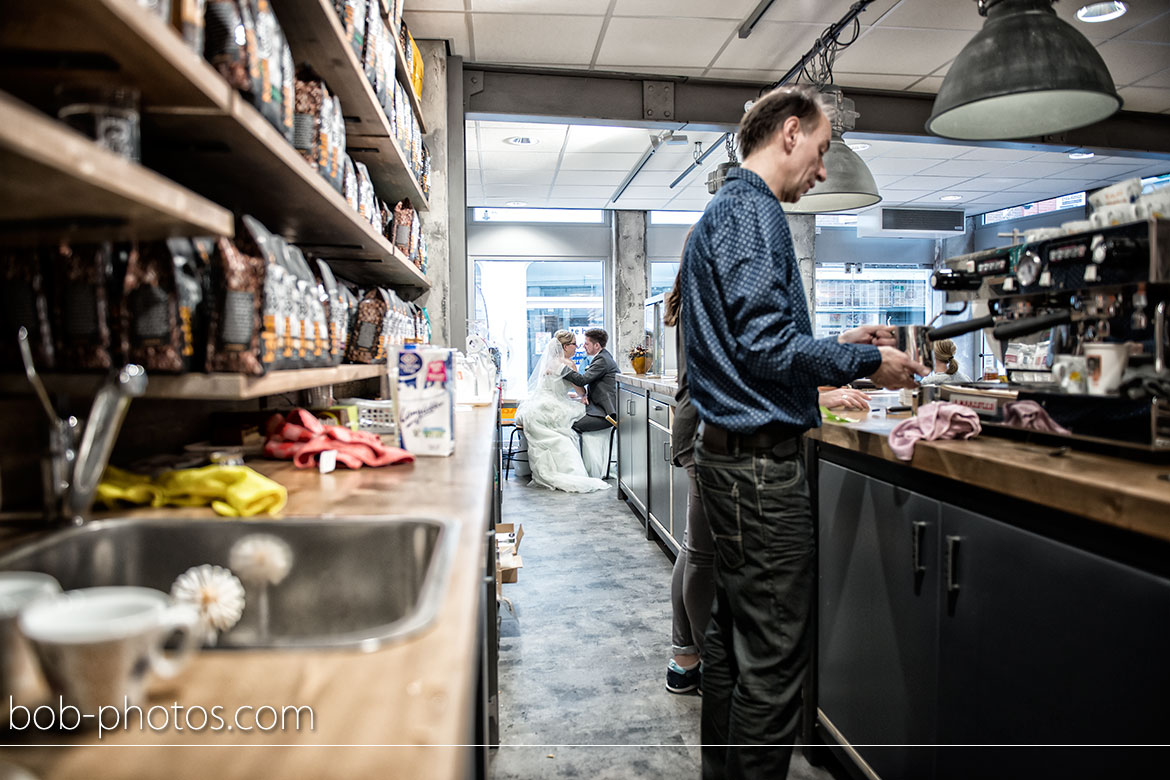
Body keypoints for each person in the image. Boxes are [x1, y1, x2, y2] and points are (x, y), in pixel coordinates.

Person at [679, 85, 928, 779]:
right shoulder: (753, 214)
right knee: (775, 656)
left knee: (734, 642)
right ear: (790, 133)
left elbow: (749, 345)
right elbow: (763, 348)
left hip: (731, 463)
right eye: (820, 151)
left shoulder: (728, 212)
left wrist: (839, 341)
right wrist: (867, 362)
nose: (821, 171)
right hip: (759, 472)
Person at [664, 274, 873, 697]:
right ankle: (712, 671)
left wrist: (841, 343)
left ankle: (685, 658)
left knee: (697, 548)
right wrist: (814, 397)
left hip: (700, 423)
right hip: (711, 427)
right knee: (704, 554)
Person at [514, 330, 610, 494]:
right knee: (576, 416)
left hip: (538, 405)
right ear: (565, 347)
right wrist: (583, 395)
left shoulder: (548, 363)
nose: (577, 347)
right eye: (574, 344)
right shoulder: (569, 364)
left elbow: (552, 387)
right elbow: (581, 391)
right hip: (557, 403)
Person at [562, 328, 619, 434]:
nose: (583, 346)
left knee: (570, 424)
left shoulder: (602, 360)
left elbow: (582, 380)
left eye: (586, 344)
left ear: (597, 345)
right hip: (596, 408)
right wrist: (585, 396)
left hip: (606, 413)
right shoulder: (602, 357)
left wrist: (561, 368)